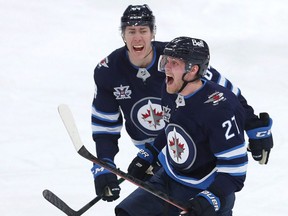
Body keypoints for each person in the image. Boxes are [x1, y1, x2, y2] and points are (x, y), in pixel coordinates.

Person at [90, 4, 273, 203]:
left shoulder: (177, 59)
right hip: (154, 150)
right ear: (123, 35)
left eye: (143, 30)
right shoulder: (108, 70)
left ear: (153, 33)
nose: (137, 37)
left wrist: (253, 125)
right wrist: (104, 164)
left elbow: (223, 93)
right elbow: (105, 125)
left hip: (196, 143)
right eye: (131, 31)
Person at [115, 36, 248, 216]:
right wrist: (151, 152)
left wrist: (211, 198)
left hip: (207, 190)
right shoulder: (170, 89)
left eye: (174, 63)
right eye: (166, 61)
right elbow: (172, 126)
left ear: (193, 70)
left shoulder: (220, 109)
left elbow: (235, 171)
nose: (166, 68)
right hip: (169, 178)